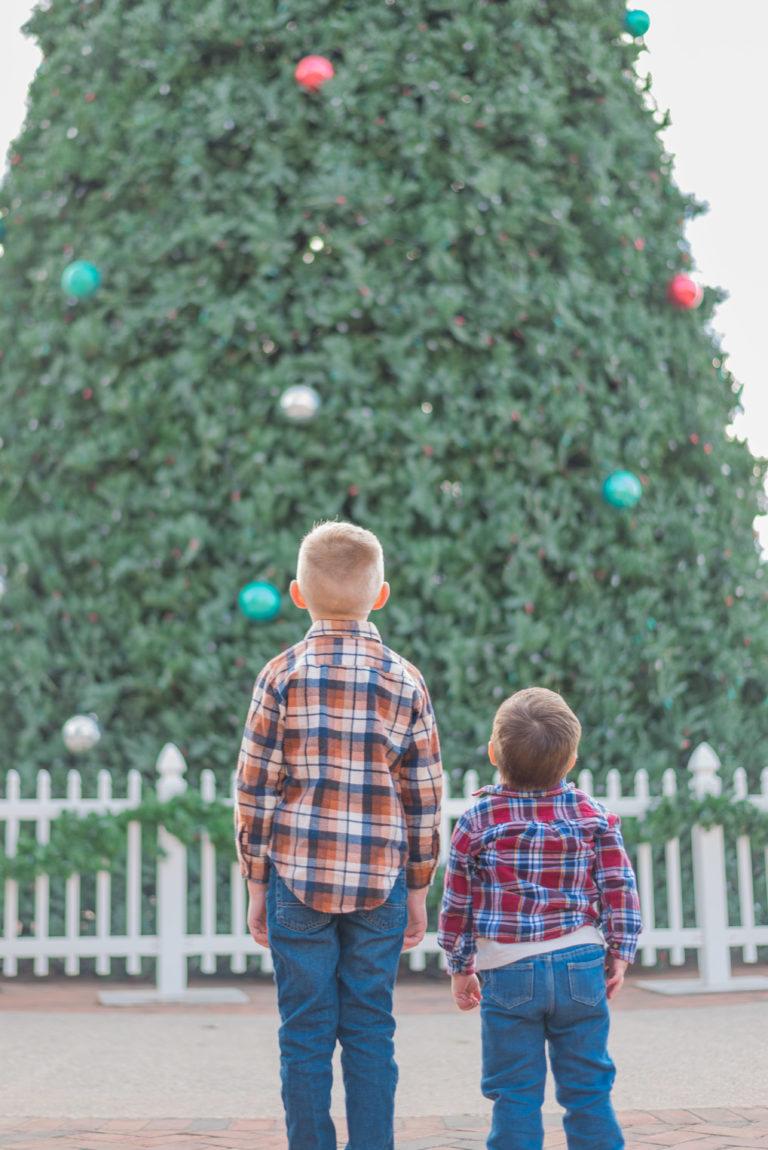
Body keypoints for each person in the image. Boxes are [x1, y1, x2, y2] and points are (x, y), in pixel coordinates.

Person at [235, 520, 443, 1150]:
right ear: (381, 596)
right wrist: (417, 890)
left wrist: (255, 882)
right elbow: (425, 799)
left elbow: (254, 791)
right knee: (371, 1030)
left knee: (303, 1032)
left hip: (296, 882)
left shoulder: (279, 675)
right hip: (381, 885)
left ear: (297, 594)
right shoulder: (404, 679)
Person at [438, 686, 641, 1150]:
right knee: (588, 1091)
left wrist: (460, 968)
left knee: (514, 1094)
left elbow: (456, 904)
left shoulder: (476, 820)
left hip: (507, 972)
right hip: (580, 966)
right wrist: (620, 953)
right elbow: (619, 889)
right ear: (571, 761)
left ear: (493, 753)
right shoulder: (595, 816)